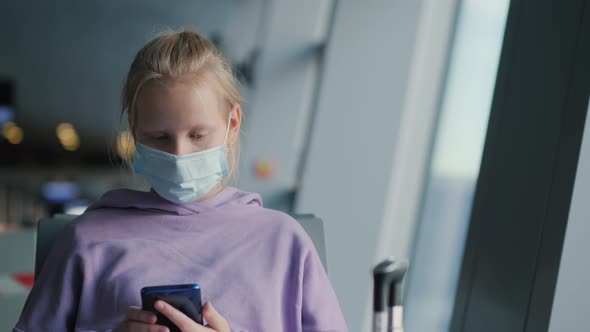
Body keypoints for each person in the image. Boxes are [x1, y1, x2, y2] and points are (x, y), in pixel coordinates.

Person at [13, 30, 347, 332]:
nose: (179, 154)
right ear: (135, 130)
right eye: (159, 137)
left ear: (232, 125)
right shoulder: (86, 242)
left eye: (198, 135)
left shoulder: (284, 243)